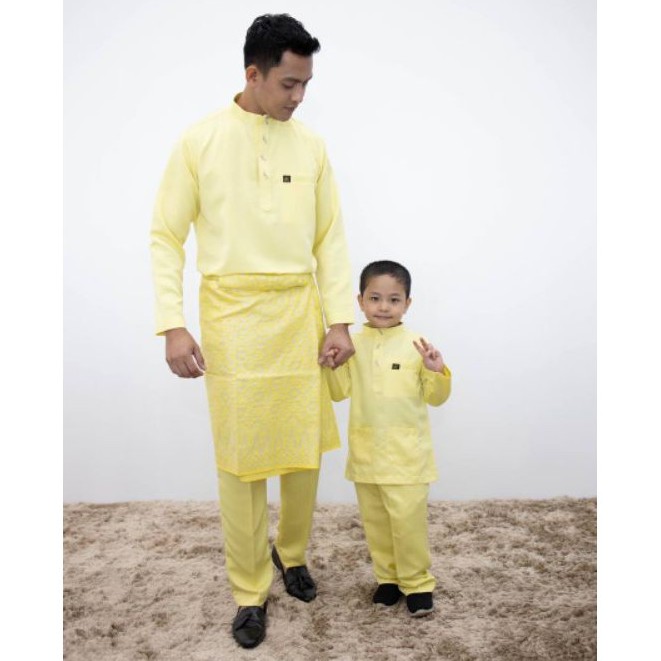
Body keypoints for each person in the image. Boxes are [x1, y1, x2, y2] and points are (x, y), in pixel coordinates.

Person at [150, 14, 354, 649]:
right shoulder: (200, 141)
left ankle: (291, 554)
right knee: (240, 463)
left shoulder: (312, 146)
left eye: (306, 84)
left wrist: (339, 319)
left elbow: (330, 238)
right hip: (231, 315)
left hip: (298, 312)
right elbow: (165, 235)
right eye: (289, 83)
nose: (299, 96)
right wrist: (172, 324)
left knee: (301, 450)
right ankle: (247, 589)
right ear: (253, 74)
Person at [320, 260, 451, 617]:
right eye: (375, 298)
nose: (383, 307)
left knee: (408, 525)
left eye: (394, 300)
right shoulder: (352, 344)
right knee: (376, 524)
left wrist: (436, 370)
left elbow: (436, 397)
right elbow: (339, 392)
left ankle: (418, 584)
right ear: (360, 301)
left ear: (407, 303)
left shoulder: (417, 345)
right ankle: (388, 580)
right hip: (367, 455)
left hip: (408, 457)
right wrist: (331, 366)